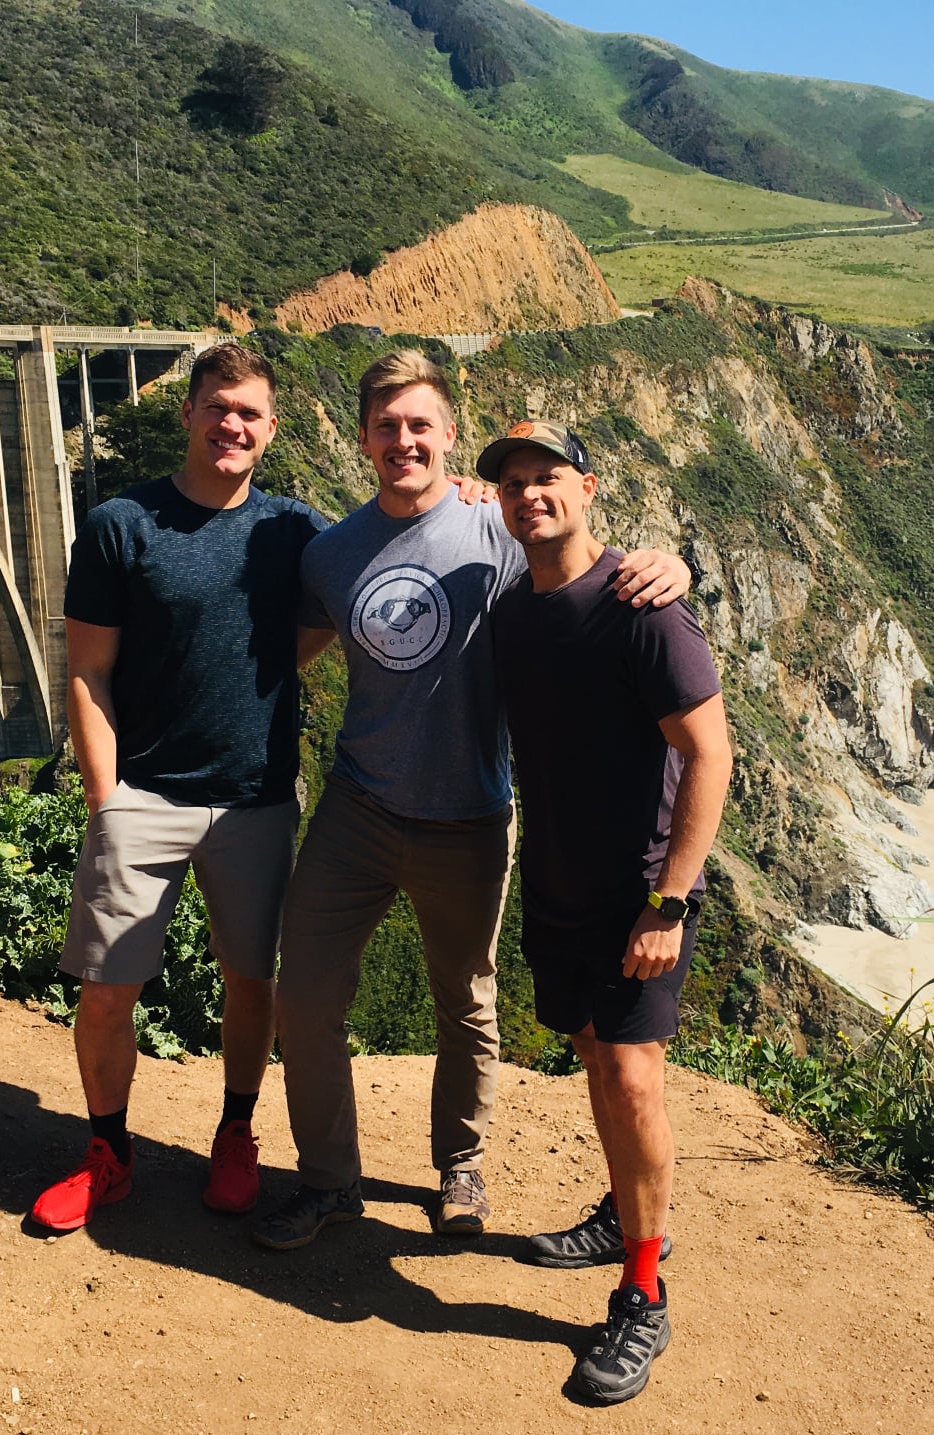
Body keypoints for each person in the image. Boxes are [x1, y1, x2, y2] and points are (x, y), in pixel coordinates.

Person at [252, 352, 694, 1250]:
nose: (404, 441)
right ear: (364, 439)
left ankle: (461, 1168)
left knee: (467, 1001)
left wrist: (672, 561)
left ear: (448, 435)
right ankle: (330, 1181)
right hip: (358, 806)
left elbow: (587, 560)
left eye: (421, 425)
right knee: (302, 996)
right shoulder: (332, 555)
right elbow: (279, 661)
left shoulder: (500, 524)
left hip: (472, 814)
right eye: (387, 427)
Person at [30, 342, 328, 1232]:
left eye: (249, 413)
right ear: (189, 413)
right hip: (144, 797)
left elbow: (368, 577)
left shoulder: (294, 530)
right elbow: (88, 672)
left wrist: (469, 496)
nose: (231, 425)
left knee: (251, 980)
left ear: (272, 430)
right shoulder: (123, 524)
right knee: (108, 989)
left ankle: (236, 1134)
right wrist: (106, 799)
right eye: (217, 407)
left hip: (256, 797)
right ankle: (107, 1150)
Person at [482, 421, 731, 1405]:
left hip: (639, 893)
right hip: (556, 883)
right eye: (513, 484)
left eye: (550, 478)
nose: (531, 495)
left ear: (588, 487)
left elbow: (711, 753)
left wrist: (670, 901)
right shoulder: (513, 612)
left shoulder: (643, 605)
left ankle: (643, 1292)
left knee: (632, 1076)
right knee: (593, 1049)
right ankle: (619, 1215)